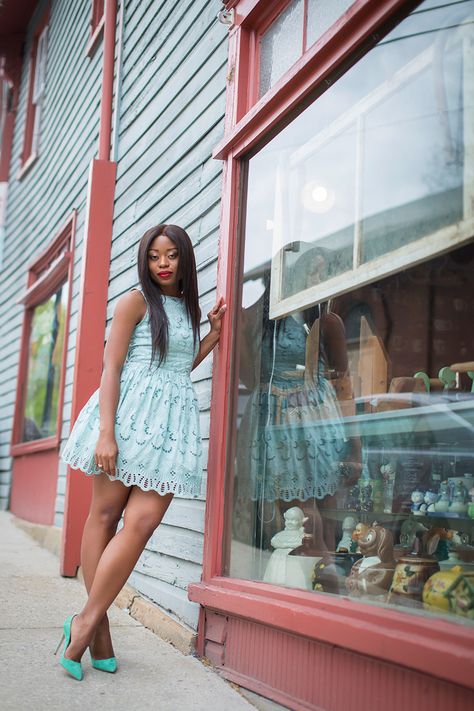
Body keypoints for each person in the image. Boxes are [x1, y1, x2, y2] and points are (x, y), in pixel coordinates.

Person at [55, 224, 226, 680]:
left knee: (143, 522)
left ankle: (84, 620)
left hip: (169, 426)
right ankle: (100, 628)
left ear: (184, 259)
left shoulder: (187, 311)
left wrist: (211, 335)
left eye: (171, 255)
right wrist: (106, 433)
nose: (163, 263)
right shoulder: (133, 301)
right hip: (127, 418)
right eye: (154, 256)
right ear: (145, 261)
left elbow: (176, 367)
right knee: (105, 517)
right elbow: (112, 368)